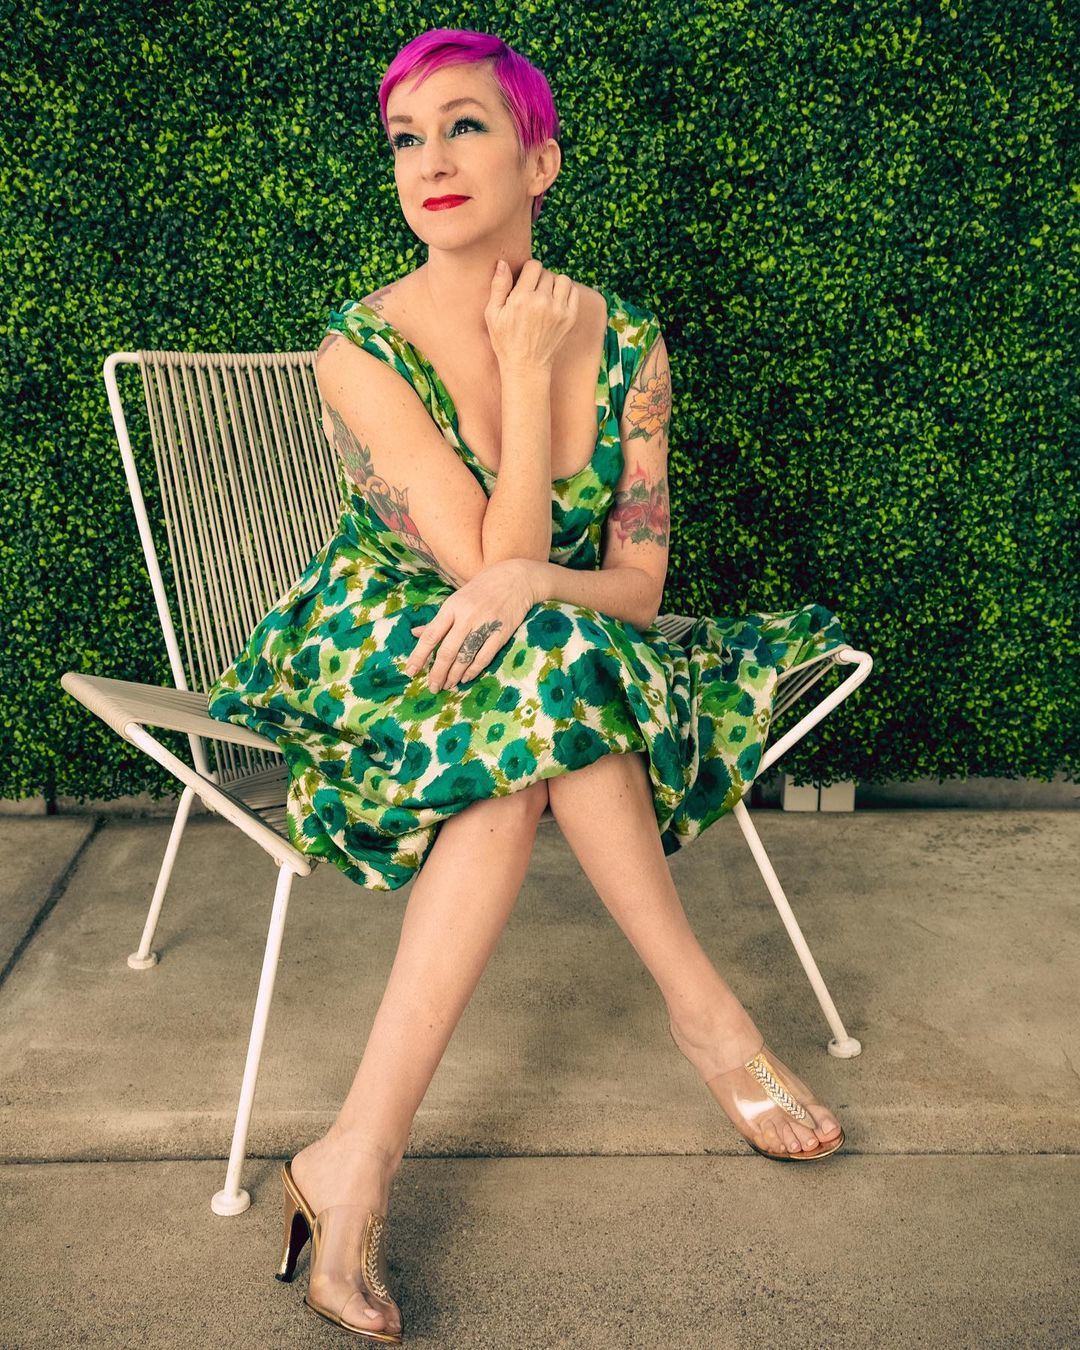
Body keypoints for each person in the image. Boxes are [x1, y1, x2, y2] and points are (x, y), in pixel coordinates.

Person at [207, 26, 850, 1344]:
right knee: (544, 684)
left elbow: (635, 590)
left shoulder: (630, 340)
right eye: (406, 138)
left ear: (539, 159)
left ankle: (353, 1158)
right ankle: (707, 1014)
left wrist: (541, 571)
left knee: (536, 705)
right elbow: (482, 574)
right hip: (385, 645)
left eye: (466, 127)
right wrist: (523, 368)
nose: (430, 161)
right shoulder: (359, 348)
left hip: (551, 650)